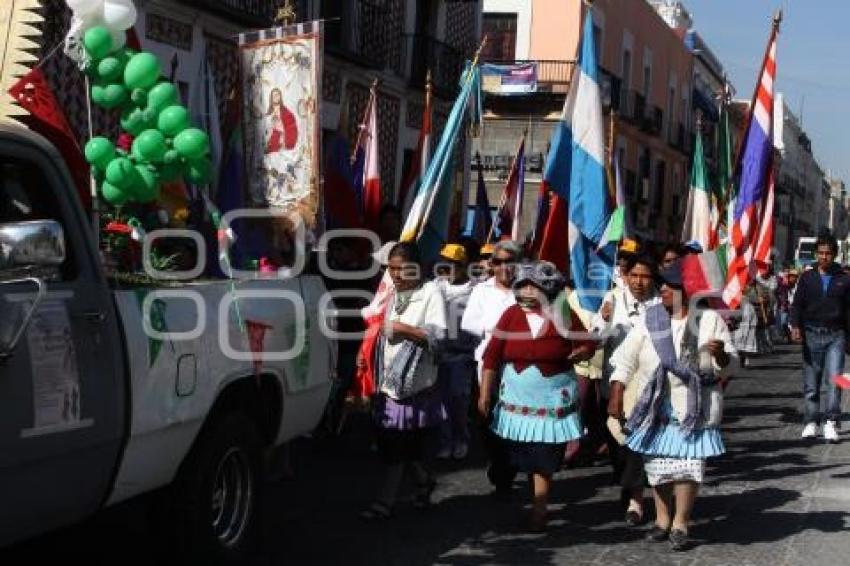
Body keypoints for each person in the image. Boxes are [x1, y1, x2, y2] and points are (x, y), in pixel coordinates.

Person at [608, 260, 736, 551]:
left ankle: (681, 521)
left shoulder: (709, 320)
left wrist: (722, 358)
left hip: (694, 408)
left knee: (688, 466)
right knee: (659, 467)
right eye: (662, 283)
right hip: (655, 406)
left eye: (670, 285)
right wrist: (616, 391)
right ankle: (661, 519)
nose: (662, 289)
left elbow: (731, 365)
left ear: (687, 290)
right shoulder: (650, 319)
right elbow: (626, 358)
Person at [478, 262, 595, 531]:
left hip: (551, 399)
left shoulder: (563, 314)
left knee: (543, 455)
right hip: (517, 400)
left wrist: (584, 351)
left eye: (534, 287)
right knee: (520, 454)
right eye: (522, 286)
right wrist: (485, 394)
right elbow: (492, 356)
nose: (527, 292)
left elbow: (588, 341)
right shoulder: (510, 315)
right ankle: (519, 493)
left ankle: (539, 511)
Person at [361, 242, 448, 520]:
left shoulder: (431, 292)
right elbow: (376, 327)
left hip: (415, 382)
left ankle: (384, 501)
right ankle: (423, 481)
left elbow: (438, 337)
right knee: (398, 443)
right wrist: (366, 354)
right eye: (391, 269)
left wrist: (402, 329)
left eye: (401, 269)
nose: (395, 275)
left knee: (395, 444)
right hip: (388, 380)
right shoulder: (393, 292)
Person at [593, 254, 661, 526]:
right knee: (617, 441)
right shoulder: (612, 299)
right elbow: (596, 338)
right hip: (615, 381)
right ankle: (626, 481)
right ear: (625, 276)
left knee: (639, 443)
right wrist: (604, 320)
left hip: (648, 385)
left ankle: (637, 496)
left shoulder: (660, 302)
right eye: (634, 275)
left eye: (645, 276)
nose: (639, 282)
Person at [462, 240, 522, 497]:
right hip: (488, 366)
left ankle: (505, 474)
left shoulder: (527, 290)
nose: (504, 267)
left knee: (514, 420)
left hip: (519, 366)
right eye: (499, 262)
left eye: (510, 262)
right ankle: (499, 463)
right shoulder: (481, 291)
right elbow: (470, 325)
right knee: (487, 419)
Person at [789, 233, 850, 443]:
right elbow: (797, 304)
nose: (824, 257)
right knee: (811, 383)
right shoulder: (807, 277)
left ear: (834, 255)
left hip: (836, 335)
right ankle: (811, 421)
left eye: (828, 254)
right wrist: (795, 325)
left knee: (835, 380)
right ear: (816, 254)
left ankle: (831, 421)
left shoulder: (844, 278)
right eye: (821, 253)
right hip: (811, 335)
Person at [434, 243, 477, 460]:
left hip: (462, 354)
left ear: (463, 266)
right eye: (444, 264)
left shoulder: (474, 289)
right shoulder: (435, 286)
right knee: (440, 401)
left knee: (458, 398)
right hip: (438, 354)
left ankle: (461, 438)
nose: (447, 269)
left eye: (453, 264)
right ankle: (445, 441)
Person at [265, 87, 298, 153]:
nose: (276, 97)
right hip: (270, 140)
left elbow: (292, 128)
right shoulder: (268, 114)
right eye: (274, 95)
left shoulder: (286, 113)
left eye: (277, 95)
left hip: (281, 141)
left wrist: (283, 136)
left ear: (280, 97)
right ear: (271, 98)